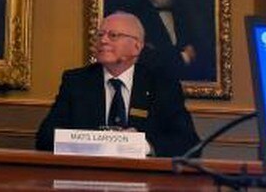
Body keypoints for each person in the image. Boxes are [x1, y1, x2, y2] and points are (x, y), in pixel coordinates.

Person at [36, 11, 199, 157]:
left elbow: (189, 143)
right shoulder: (77, 82)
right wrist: (95, 142)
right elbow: (45, 138)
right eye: (100, 35)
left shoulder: (162, 85)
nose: (103, 41)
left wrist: (144, 146)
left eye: (113, 35)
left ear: (137, 47)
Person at [127, 0, 208, 80]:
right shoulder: (133, 16)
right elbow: (147, 60)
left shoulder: (186, 13)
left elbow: (202, 51)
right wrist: (184, 57)